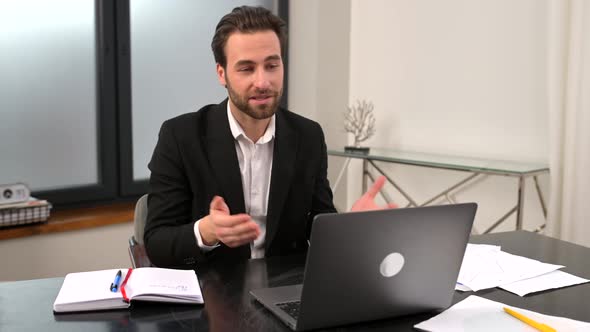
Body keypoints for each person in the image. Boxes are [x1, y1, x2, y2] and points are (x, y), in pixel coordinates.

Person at [144, 6, 395, 269]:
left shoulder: (308, 136)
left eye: (272, 65)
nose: (263, 81)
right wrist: (206, 231)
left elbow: (317, 225)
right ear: (222, 74)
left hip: (283, 290)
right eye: (246, 69)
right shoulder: (181, 136)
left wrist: (349, 227)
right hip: (211, 292)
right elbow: (157, 243)